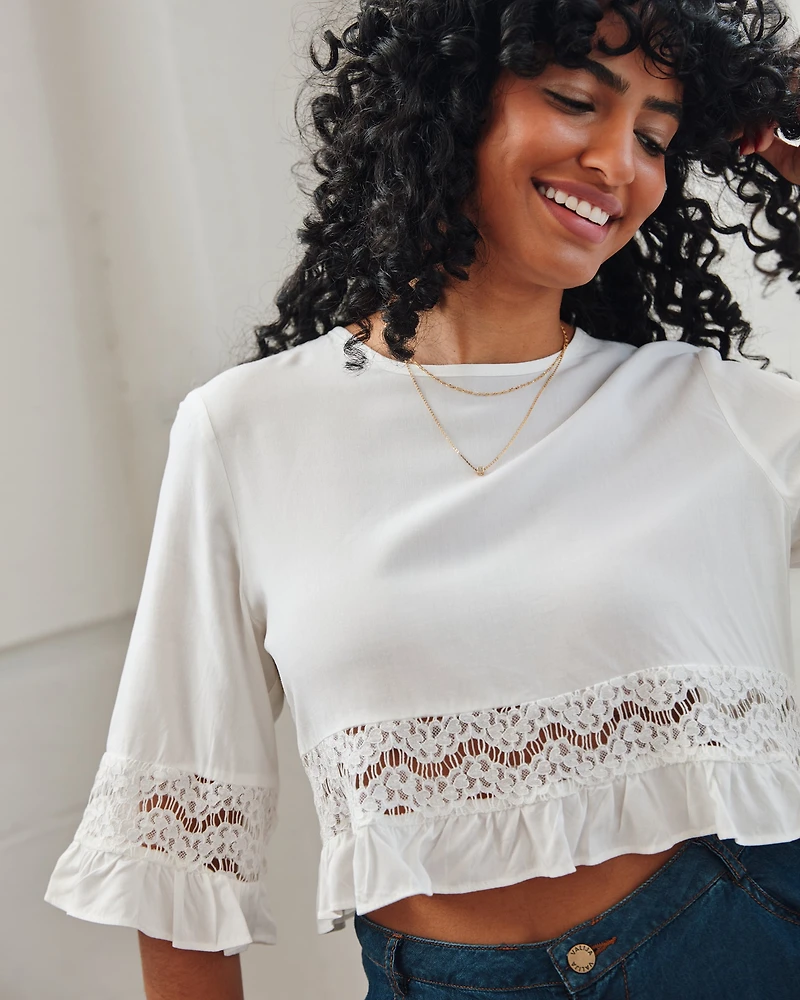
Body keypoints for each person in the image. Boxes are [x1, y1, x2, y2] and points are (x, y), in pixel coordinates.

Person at [45, 0, 800, 997]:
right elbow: (174, 850)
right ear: (453, 97)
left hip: (739, 947)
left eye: (656, 139)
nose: (619, 163)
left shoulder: (724, 415)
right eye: (577, 101)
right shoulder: (245, 430)